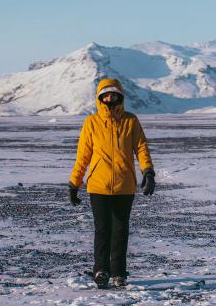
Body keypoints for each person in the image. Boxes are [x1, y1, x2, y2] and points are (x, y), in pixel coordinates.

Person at [68, 77, 155, 289]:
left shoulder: (131, 121)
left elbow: (141, 148)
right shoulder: (91, 123)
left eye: (113, 94)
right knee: (103, 229)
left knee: (120, 231)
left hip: (125, 186)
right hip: (98, 185)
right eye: (105, 94)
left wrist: (149, 172)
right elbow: (83, 156)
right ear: (100, 97)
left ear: (119, 96)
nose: (109, 97)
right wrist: (74, 183)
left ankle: (118, 273)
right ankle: (101, 271)